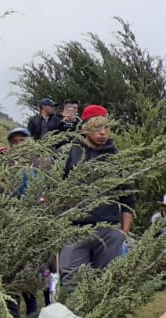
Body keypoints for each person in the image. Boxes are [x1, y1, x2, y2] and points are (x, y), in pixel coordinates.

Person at [58, 105, 135, 284]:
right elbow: (55, 190)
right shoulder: (69, 153)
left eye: (106, 127)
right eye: (97, 127)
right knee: (71, 279)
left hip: (109, 230)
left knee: (107, 282)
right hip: (75, 229)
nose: (103, 133)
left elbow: (128, 197)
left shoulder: (117, 158)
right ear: (85, 127)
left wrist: (123, 233)